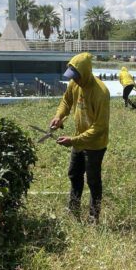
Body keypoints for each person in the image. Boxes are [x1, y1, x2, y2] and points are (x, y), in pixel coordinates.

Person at [50, 52, 110, 223]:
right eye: (72, 77)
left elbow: (99, 128)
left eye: (76, 77)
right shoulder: (74, 84)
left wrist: (73, 141)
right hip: (78, 140)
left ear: (85, 73)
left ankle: (93, 216)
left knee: (93, 180)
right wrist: (59, 116)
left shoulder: (101, 93)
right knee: (74, 174)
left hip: (95, 144)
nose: (74, 80)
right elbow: (66, 101)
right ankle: (73, 207)